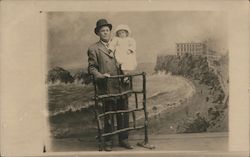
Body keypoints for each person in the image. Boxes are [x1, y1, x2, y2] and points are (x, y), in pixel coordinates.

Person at [87, 19, 133, 151]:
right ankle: (108, 141)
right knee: (108, 114)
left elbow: (127, 60)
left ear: (110, 31)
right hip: (106, 87)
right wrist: (100, 76)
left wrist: (127, 75)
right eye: (102, 31)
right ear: (98, 33)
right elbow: (91, 68)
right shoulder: (93, 49)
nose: (105, 33)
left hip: (121, 85)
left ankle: (124, 139)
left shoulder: (118, 43)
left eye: (107, 30)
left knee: (123, 113)